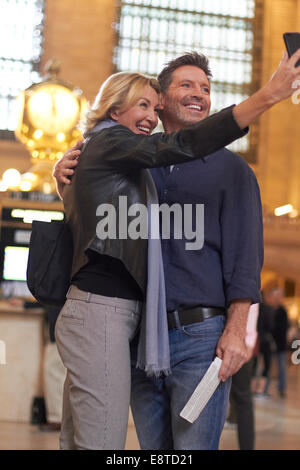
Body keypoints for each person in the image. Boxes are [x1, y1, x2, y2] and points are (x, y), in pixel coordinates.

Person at [53, 50, 300, 450]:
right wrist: (63, 177)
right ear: (162, 98)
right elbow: (92, 215)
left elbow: (245, 259)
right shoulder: (133, 159)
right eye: (186, 85)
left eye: (205, 88)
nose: (199, 94)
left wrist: (236, 331)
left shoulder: (233, 171)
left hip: (201, 339)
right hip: (138, 337)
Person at [226, 303, 259, 450]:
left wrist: (250, 342)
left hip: (241, 341)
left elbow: (250, 303)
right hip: (212, 338)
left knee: (243, 398)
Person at [267, 287, 290, 398]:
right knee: (267, 367)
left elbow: (282, 329)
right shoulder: (269, 310)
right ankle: (264, 389)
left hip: (280, 345)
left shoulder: (283, 311)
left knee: (281, 368)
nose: (277, 298)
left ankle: (282, 389)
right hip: (268, 344)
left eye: (279, 296)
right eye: (275, 295)